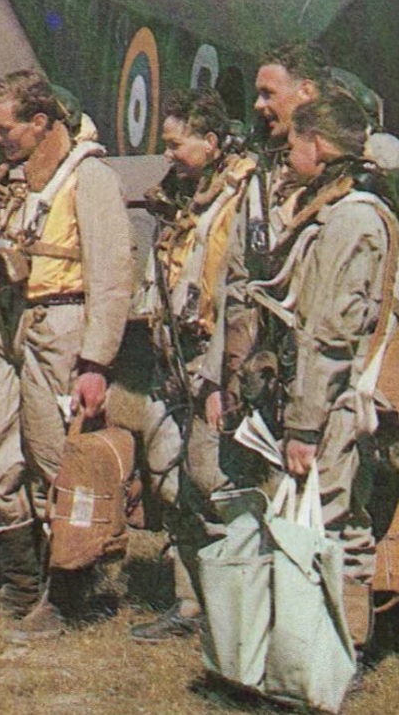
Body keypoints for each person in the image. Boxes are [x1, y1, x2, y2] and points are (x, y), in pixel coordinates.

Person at [0, 69, 134, 642]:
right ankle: (19, 580)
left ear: (40, 124)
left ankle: (64, 593)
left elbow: (112, 277)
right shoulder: (8, 179)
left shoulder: (90, 179)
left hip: (60, 325)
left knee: (55, 461)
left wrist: (95, 362)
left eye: (6, 128)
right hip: (2, 325)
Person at [268, 88, 399, 658]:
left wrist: (303, 427)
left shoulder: (351, 218)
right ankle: (336, 654)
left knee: (329, 527)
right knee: (343, 522)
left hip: (336, 406)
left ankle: (331, 659)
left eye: (295, 143)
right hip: (349, 401)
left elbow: (329, 332)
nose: (286, 154)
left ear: (321, 146)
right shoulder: (362, 208)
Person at [251, 41, 399, 399]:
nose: (259, 106)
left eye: (268, 93)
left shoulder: (385, 156)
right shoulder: (269, 164)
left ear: (306, 91)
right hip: (291, 360)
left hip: (365, 358)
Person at [130, 89, 262, 642]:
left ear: (210, 142)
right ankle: (189, 603)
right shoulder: (181, 196)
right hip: (171, 361)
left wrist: (224, 372)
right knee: (168, 484)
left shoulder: (245, 196)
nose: (168, 156)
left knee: (212, 483)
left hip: (211, 362)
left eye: (175, 144)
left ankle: (234, 608)